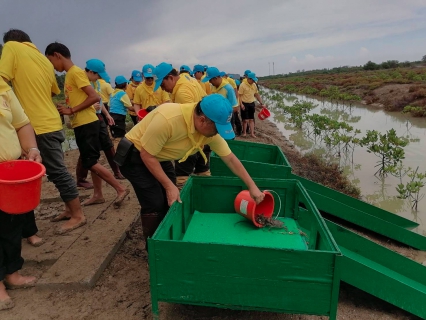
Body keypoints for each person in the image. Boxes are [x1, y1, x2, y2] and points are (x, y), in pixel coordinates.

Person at [116, 94, 265, 248]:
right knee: (155, 203)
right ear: (202, 120)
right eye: (217, 129)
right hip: (135, 156)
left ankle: (166, 236)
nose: (217, 134)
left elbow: (230, 159)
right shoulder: (168, 119)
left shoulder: (208, 129)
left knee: (171, 199)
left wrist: (252, 186)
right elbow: (146, 155)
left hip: (159, 156)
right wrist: (169, 186)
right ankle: (154, 250)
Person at [0, 29, 86, 235]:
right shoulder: (44, 60)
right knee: (58, 169)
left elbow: (2, 80)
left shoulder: (12, 47)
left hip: (37, 124)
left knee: (57, 172)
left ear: (11, 42)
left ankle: (78, 215)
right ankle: (68, 209)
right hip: (52, 121)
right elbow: (52, 91)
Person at [45, 42, 129, 209]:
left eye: (50, 60)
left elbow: (93, 97)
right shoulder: (72, 74)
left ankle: (120, 189)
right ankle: (98, 194)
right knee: (93, 159)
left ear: (57, 55)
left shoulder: (75, 73)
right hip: (88, 122)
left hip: (86, 123)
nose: (52, 65)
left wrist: (71, 110)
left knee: (90, 162)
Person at [0, 78, 40, 311]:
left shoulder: (3, 88)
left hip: (10, 171)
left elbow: (22, 123)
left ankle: (12, 273)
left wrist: (32, 148)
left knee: (12, 222)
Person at [154, 62, 209, 188]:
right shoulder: (188, 79)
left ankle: (183, 204)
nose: (162, 89)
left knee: (182, 178)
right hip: (203, 136)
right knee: (203, 172)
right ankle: (204, 195)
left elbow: (191, 120)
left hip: (191, 139)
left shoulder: (181, 92)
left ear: (171, 78)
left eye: (162, 84)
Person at [82, 59, 125, 181]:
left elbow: (99, 101)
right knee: (89, 148)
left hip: (98, 115)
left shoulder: (96, 84)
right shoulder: (81, 82)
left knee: (108, 144)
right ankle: (81, 178)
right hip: (86, 118)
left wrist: (107, 115)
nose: (99, 78)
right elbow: (76, 102)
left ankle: (117, 171)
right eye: (98, 75)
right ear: (90, 72)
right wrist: (90, 107)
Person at [202, 67, 240, 136]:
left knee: (227, 138)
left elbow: (235, 108)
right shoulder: (213, 87)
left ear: (216, 78)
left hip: (226, 120)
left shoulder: (228, 88)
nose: (209, 82)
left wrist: (223, 114)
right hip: (216, 119)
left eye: (210, 80)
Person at [238, 72, 264, 138]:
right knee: (245, 120)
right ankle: (244, 133)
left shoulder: (254, 85)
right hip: (244, 104)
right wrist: (241, 104)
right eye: (252, 80)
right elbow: (239, 96)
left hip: (252, 104)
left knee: (251, 119)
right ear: (249, 79)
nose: (253, 81)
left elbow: (256, 94)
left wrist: (261, 102)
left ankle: (252, 133)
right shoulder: (242, 85)